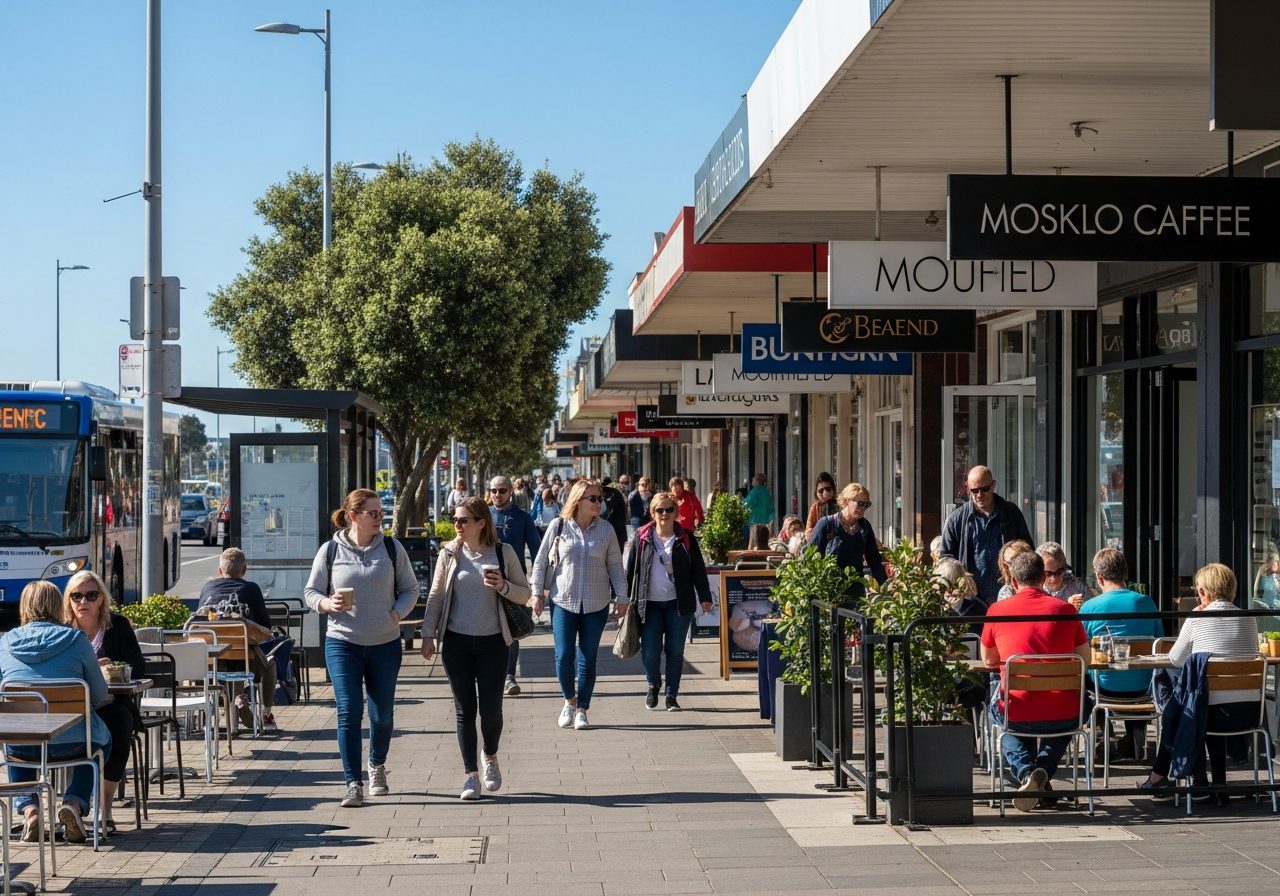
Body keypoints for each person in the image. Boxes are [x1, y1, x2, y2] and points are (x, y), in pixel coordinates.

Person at [305, 488, 418, 809]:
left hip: (385, 643)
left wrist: (396, 613)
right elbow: (311, 591)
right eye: (374, 514)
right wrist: (327, 603)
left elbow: (411, 587)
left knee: (382, 716)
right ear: (353, 516)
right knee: (349, 711)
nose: (380, 519)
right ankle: (353, 782)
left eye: (382, 514)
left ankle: (377, 766)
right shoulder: (330, 551)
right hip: (342, 643)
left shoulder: (393, 549)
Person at [422, 497, 531, 800]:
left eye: (463, 520)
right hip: (456, 642)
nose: (457, 525)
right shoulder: (449, 554)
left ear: (481, 523)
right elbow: (435, 597)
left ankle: (491, 756)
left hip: (494, 643)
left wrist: (502, 586)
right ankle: (471, 775)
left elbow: (524, 594)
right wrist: (428, 634)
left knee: (492, 710)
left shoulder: (503, 553)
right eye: (455, 520)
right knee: (464, 710)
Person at [0, 581, 111, 843]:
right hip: (73, 743)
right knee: (102, 741)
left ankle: (30, 809)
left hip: (23, 746)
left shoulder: (5, 643)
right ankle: (74, 802)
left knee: (19, 740)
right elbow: (96, 694)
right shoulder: (76, 640)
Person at [1140, 563, 1260, 805]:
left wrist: (1192, 618)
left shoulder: (1197, 619)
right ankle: (1207, 782)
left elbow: (1174, 659)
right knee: (1194, 695)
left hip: (1206, 715)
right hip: (1249, 714)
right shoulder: (1250, 620)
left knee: (1184, 701)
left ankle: (1170, 777)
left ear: (1203, 592)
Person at [981, 550, 1091, 812]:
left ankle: (1027, 772)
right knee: (1082, 706)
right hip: (1064, 713)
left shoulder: (997, 610)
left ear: (1014, 581)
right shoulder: (1065, 609)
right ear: (1043, 577)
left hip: (1018, 710)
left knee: (995, 715)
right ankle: (1042, 769)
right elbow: (1084, 659)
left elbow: (988, 660)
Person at [529, 479, 628, 731]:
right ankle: (569, 701)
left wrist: (623, 598)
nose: (598, 503)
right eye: (593, 498)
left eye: (599, 499)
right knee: (563, 656)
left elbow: (616, 566)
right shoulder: (558, 526)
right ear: (578, 501)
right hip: (563, 600)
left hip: (596, 603)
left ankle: (583, 708)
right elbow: (540, 561)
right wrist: (537, 593)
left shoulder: (606, 530)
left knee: (588, 658)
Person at [64, 570, 143, 836]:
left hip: (112, 701)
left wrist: (112, 668)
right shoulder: (62, 630)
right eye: (77, 595)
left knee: (119, 725)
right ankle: (70, 804)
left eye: (91, 595)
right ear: (69, 600)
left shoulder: (117, 626)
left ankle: (104, 808)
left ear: (101, 599)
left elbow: (139, 668)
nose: (83, 601)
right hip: (72, 706)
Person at [625, 491, 714, 711]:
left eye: (669, 509)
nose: (664, 514)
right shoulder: (642, 536)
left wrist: (705, 596)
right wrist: (624, 599)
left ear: (676, 512)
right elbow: (632, 571)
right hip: (650, 604)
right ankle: (653, 683)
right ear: (652, 513)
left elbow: (698, 570)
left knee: (675, 651)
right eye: (659, 510)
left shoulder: (686, 538)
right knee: (650, 652)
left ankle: (671, 694)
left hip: (678, 603)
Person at [1079, 548, 1162, 761]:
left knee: (1085, 676)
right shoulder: (1146, 603)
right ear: (1125, 573)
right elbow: (1159, 644)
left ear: (1099, 577)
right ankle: (1133, 736)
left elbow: (1080, 650)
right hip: (1144, 689)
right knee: (1135, 669)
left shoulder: (1090, 607)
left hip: (1104, 690)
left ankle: (1100, 731)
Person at [196, 547, 280, 729]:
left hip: (212, 662)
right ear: (244, 570)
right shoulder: (251, 589)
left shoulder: (207, 588)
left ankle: (221, 706)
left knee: (229, 661)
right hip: (244, 658)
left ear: (220, 570)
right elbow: (265, 626)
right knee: (269, 665)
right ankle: (265, 713)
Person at [939, 465, 1033, 606]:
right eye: (974, 491)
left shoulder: (1011, 513)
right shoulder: (957, 519)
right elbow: (946, 558)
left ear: (993, 485)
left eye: (985, 489)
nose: (979, 495)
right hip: (970, 598)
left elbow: (1027, 551)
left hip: (1008, 595)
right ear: (968, 488)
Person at [488, 475, 541, 697]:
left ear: (511, 491)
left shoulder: (523, 518)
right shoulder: (483, 516)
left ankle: (509, 675)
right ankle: (491, 674)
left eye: (502, 490)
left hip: (514, 583)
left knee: (512, 627)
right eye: (494, 490)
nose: (497, 495)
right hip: (485, 580)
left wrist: (539, 587)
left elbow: (538, 552)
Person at [807, 483, 888, 601]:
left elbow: (874, 561)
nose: (863, 508)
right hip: (829, 591)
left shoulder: (864, 528)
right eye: (860, 503)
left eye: (866, 504)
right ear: (845, 502)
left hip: (855, 591)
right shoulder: (827, 524)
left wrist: (885, 588)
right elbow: (810, 560)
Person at [1039, 542, 1092, 607]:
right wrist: (1069, 606)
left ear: (1064, 569)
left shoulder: (1078, 587)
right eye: (1048, 574)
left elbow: (1091, 612)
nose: (1053, 578)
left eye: (1058, 572)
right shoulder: (1034, 590)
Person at [805, 473, 839, 540]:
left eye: (828, 489)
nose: (824, 493)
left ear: (833, 490)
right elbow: (808, 529)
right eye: (821, 491)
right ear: (816, 493)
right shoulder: (815, 507)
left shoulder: (839, 505)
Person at [744, 473, 776, 539]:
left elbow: (747, 503)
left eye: (754, 478)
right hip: (766, 520)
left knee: (754, 540)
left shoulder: (755, 491)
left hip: (755, 520)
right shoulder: (766, 491)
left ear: (758, 481)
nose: (752, 479)